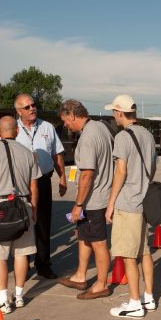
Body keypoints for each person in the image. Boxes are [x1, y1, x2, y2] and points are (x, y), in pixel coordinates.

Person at [0, 116, 41, 314]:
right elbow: (33, 185)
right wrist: (34, 209)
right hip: (23, 207)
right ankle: (19, 296)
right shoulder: (28, 153)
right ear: (17, 131)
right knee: (21, 253)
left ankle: (3, 300)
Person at [105, 94, 157, 318]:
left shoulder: (123, 137)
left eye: (113, 113)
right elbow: (152, 168)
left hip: (128, 203)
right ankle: (149, 297)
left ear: (119, 112)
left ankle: (135, 302)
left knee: (128, 255)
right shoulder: (147, 135)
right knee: (144, 252)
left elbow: (120, 172)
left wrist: (110, 203)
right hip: (145, 201)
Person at [57, 99, 114, 299]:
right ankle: (80, 276)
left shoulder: (89, 136)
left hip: (93, 199)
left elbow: (87, 174)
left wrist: (78, 204)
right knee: (83, 238)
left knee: (98, 242)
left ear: (72, 115)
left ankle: (101, 284)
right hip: (96, 195)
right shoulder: (100, 127)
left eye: (65, 120)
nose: (65, 124)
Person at [14, 93, 67, 279]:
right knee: (21, 223)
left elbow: (57, 154)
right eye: (27, 107)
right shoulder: (13, 129)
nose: (32, 108)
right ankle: (23, 263)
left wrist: (62, 177)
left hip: (43, 181)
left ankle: (43, 264)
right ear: (19, 111)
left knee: (43, 223)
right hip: (19, 184)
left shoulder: (47, 127)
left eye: (33, 105)